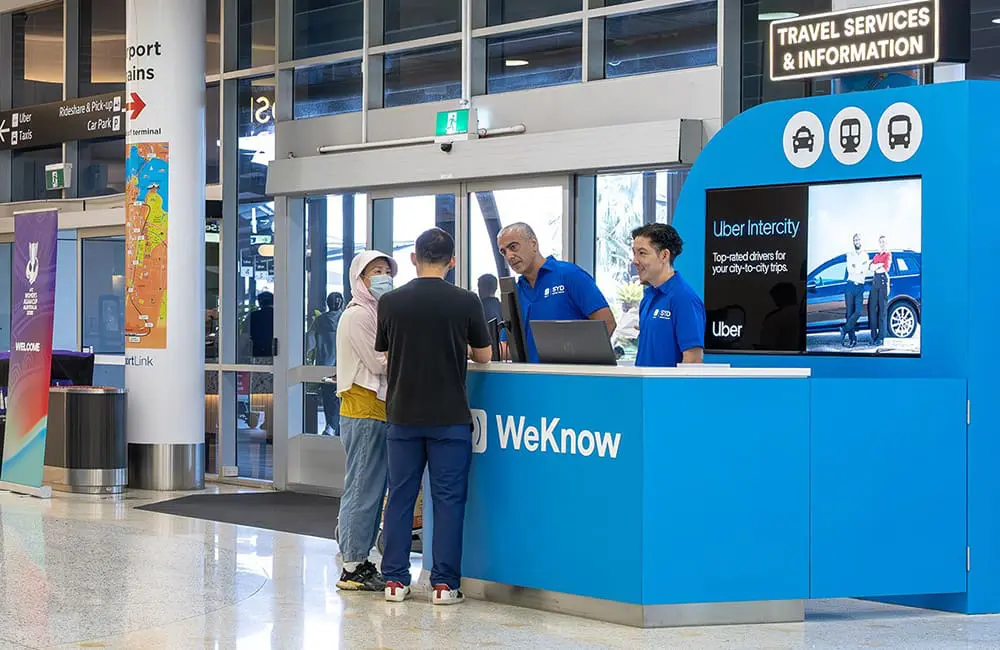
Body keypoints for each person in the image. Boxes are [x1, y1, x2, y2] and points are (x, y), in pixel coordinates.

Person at [376, 228, 492, 605]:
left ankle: (394, 580)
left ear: (414, 257)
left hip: (402, 415)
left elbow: (387, 353)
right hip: (449, 417)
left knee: (401, 498)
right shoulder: (467, 301)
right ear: (452, 261)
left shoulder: (390, 302)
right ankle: (444, 584)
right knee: (448, 501)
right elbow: (484, 356)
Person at [334, 251, 397, 591]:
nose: (383, 275)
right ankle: (352, 563)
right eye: (376, 271)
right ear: (359, 277)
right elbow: (377, 364)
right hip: (364, 409)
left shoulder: (379, 312)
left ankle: (359, 556)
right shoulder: (358, 315)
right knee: (362, 487)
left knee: (372, 489)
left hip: (377, 409)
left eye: (388, 270)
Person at [496, 223, 615, 362]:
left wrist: (576, 363)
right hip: (531, 380)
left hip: (571, 378)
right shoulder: (515, 292)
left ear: (533, 243)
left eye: (513, 247)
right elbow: (508, 349)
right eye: (504, 252)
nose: (509, 256)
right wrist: (470, 349)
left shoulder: (569, 274)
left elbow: (607, 323)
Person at [631, 223, 705, 367]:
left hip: (667, 389)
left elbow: (693, 359)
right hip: (645, 388)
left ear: (664, 255)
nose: (635, 260)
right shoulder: (648, 297)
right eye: (634, 253)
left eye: (642, 253)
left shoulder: (683, 298)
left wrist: (675, 390)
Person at [309, 292, 345, 436]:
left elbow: (310, 343)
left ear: (327, 303)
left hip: (325, 365)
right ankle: (341, 426)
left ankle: (331, 425)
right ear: (341, 303)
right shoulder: (346, 318)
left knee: (329, 398)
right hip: (344, 365)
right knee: (344, 398)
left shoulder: (319, 321)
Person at [841, 234, 868, 348]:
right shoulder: (849, 255)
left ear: (861, 241)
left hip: (860, 287)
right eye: (855, 240)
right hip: (850, 286)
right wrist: (858, 268)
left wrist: (857, 268)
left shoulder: (865, 256)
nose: (856, 241)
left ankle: (844, 329)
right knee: (849, 313)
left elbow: (864, 271)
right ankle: (853, 340)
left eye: (858, 239)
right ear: (853, 242)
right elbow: (850, 270)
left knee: (858, 312)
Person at [868, 235, 892, 346]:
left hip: (883, 282)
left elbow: (884, 268)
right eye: (880, 242)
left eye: (884, 242)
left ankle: (881, 338)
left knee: (882, 311)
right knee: (872, 309)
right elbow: (870, 267)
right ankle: (873, 335)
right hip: (875, 282)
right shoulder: (877, 255)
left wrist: (876, 266)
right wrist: (877, 265)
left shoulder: (888, 254)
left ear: (886, 243)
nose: (882, 243)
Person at [248, 291, 274, 359]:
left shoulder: (254, 316)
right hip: (276, 351)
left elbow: (245, 335)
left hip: (258, 350)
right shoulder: (279, 316)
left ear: (259, 302)